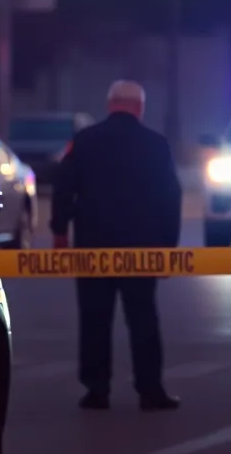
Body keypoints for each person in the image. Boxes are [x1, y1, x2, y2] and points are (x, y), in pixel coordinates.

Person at [51, 80, 183, 411]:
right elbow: (171, 196)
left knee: (95, 318)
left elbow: (64, 186)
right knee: (143, 318)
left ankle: (97, 390)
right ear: (139, 107)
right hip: (142, 246)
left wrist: (59, 231)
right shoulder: (156, 144)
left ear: (110, 105)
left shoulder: (85, 141)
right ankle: (150, 390)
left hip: (93, 244)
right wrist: (168, 245)